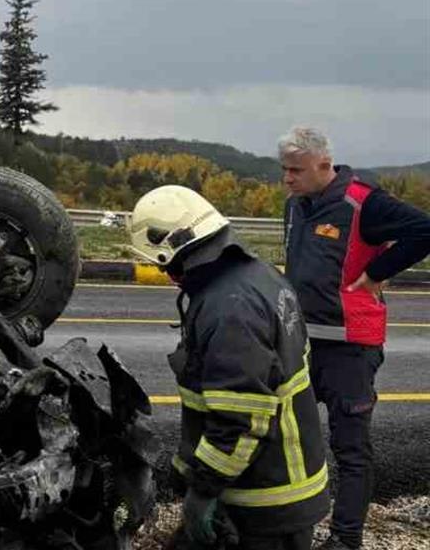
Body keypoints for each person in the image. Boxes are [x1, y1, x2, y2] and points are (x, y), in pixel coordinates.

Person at [129, 185, 328, 550]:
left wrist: (203, 491)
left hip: (264, 500)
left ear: (170, 252)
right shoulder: (258, 275)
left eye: (162, 264)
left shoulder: (229, 308)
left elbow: (239, 417)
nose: (169, 275)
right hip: (272, 485)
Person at [277, 126, 430, 550]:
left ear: (324, 165)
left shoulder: (364, 203)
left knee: (349, 447)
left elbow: (424, 230)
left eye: (296, 170)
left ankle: (346, 539)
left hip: (350, 347)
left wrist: (377, 273)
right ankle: (292, 524)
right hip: (302, 340)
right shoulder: (295, 206)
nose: (288, 179)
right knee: (292, 437)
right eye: (284, 170)